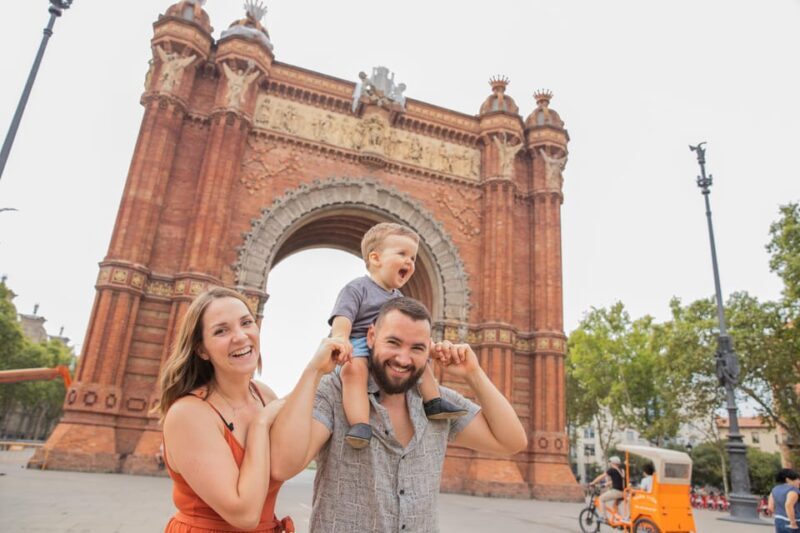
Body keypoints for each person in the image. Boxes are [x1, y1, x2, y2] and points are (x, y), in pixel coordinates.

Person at [270, 297, 528, 532]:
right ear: (371, 336)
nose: (403, 359)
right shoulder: (336, 391)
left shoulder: (438, 403)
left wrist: (474, 374)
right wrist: (314, 371)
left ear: (429, 349)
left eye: (417, 348)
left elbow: (511, 441)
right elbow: (284, 465)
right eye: (393, 342)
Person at [157, 287, 298, 532]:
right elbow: (244, 515)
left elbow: (292, 458)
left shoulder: (263, 395)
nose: (241, 336)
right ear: (201, 349)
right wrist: (260, 426)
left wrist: (323, 374)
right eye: (221, 331)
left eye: (246, 322)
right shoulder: (189, 414)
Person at [328, 222, 466, 448]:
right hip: (360, 344)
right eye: (402, 254)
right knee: (354, 371)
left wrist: (428, 348)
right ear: (375, 258)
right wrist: (341, 339)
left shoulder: (399, 298)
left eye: (412, 258)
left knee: (421, 364)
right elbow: (343, 316)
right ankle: (360, 424)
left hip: (390, 346)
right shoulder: (357, 288)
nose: (410, 262)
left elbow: (409, 329)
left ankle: (433, 402)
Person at [768, 468, 800, 533]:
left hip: (779, 520)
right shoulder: (793, 490)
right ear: (787, 479)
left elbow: (770, 507)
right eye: (797, 479)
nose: (799, 481)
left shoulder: (774, 489)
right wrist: (793, 523)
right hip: (794, 521)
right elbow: (788, 505)